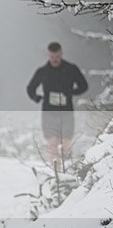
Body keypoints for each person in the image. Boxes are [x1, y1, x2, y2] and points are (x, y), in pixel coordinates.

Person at [26, 42, 88, 171]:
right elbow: (30, 88)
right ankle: (56, 173)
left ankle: (69, 170)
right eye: (52, 56)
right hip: (48, 111)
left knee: (66, 142)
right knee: (52, 143)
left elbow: (83, 86)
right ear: (48, 55)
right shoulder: (43, 71)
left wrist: (71, 93)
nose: (55, 59)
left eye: (57, 56)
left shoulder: (71, 69)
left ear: (61, 54)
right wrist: (37, 98)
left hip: (66, 111)